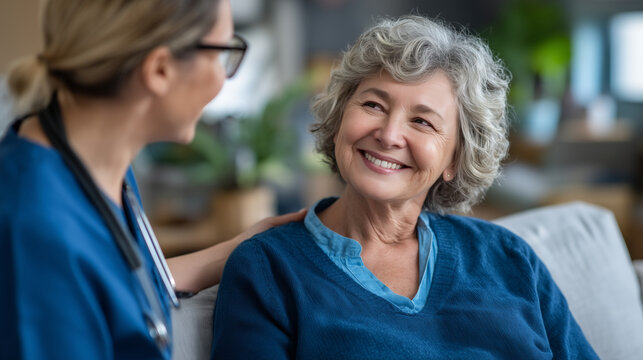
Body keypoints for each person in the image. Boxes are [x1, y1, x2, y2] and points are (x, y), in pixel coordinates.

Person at [210, 15, 598, 359]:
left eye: (422, 122)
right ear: (340, 117)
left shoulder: (510, 258)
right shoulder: (268, 269)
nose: (389, 134)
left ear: (454, 160)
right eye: (374, 105)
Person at [0, 0, 305, 358]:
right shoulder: (36, 232)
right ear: (160, 69)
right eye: (223, 53)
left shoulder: (99, 166)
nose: (224, 78)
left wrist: (245, 247)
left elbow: (118, 281)